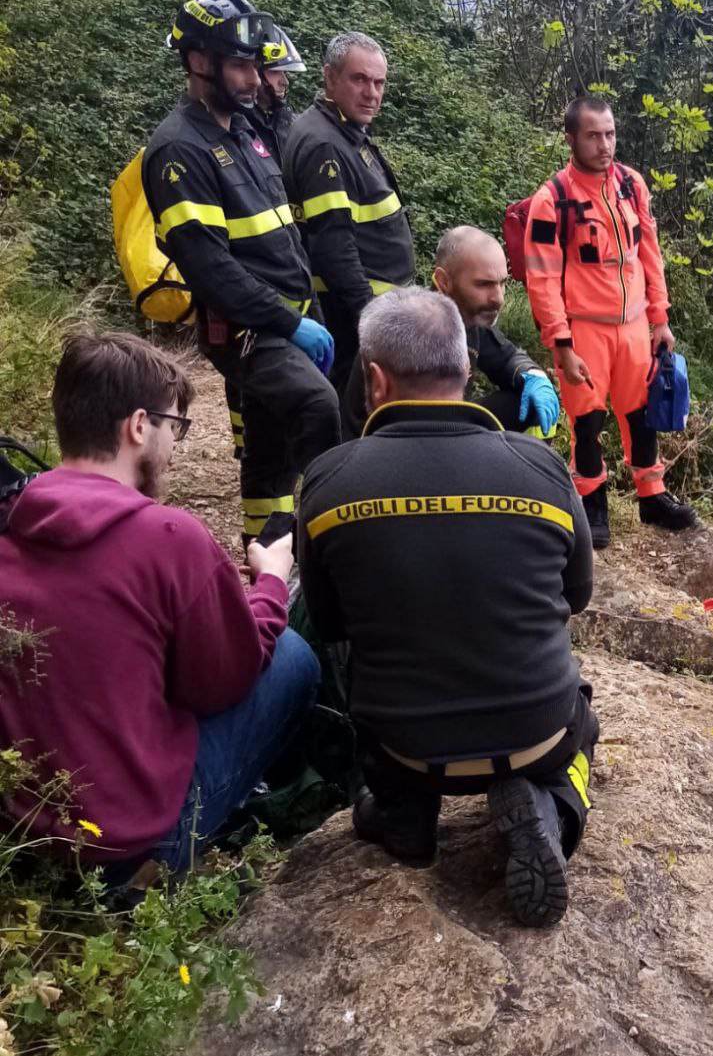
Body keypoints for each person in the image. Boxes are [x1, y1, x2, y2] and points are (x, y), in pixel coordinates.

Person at [298, 288, 597, 927]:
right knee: (584, 721)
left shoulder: (327, 482)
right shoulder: (541, 468)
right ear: (466, 369)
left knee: (380, 722)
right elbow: (576, 597)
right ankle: (552, 808)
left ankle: (405, 816)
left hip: (405, 746)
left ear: (373, 379)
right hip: (537, 733)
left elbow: (330, 626)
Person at [0, 332, 319, 882]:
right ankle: (245, 816)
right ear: (139, 425)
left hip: (27, 835)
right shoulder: (168, 536)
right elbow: (224, 683)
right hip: (134, 844)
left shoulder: (11, 520)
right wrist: (270, 582)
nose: (175, 447)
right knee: (291, 656)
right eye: (176, 428)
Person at [142, 0, 340, 545]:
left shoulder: (247, 128)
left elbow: (283, 236)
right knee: (317, 407)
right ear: (198, 61)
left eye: (256, 64)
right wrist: (287, 323)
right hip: (250, 326)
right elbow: (210, 269)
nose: (254, 79)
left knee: (268, 443)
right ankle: (331, 545)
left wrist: (310, 310)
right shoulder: (178, 151)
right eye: (239, 65)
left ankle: (266, 551)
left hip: (290, 312)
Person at [522, 95, 697, 549]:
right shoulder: (552, 200)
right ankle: (592, 502)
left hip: (635, 325)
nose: (604, 145)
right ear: (571, 138)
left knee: (641, 413)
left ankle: (651, 495)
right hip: (583, 329)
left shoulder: (631, 186)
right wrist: (559, 342)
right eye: (593, 135)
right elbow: (541, 278)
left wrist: (660, 317)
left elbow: (650, 255)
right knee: (586, 419)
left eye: (610, 133)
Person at [284, 32, 415, 427]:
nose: (372, 93)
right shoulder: (325, 144)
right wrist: (372, 317)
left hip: (369, 313)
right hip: (353, 317)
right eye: (359, 79)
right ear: (329, 78)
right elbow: (333, 246)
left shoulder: (342, 131)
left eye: (379, 82)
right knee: (356, 422)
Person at [433, 225, 560, 435]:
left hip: (458, 425)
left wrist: (533, 375)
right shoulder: (413, 328)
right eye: (483, 285)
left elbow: (506, 357)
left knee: (530, 403)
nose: (498, 299)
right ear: (443, 281)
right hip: (412, 441)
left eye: (502, 283)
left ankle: (529, 464)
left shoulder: (468, 316)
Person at [249, 24, 306, 162]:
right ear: (254, 72)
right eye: (275, 72)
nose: (284, 81)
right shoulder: (239, 127)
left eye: (284, 72)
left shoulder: (292, 125)